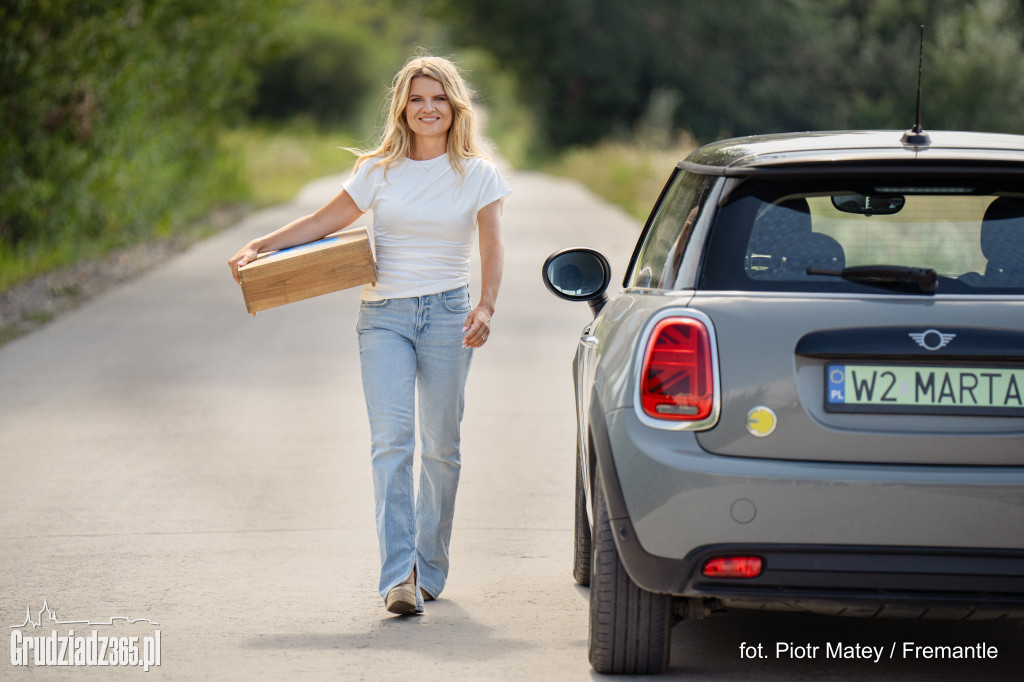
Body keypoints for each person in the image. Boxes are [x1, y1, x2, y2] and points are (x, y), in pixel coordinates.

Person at [228, 55, 511, 615]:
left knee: (442, 449)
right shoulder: (379, 169)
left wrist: (486, 306)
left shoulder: (478, 173)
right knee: (391, 445)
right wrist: (262, 245)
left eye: (437, 99)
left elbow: (493, 246)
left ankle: (429, 568)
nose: (427, 109)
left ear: (455, 107)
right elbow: (321, 223)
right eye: (416, 99)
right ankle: (397, 578)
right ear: (403, 108)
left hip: (449, 315)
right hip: (384, 316)